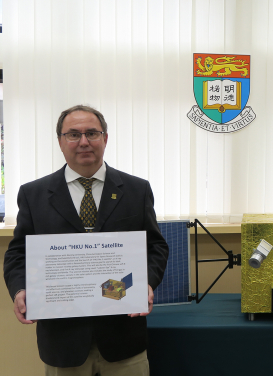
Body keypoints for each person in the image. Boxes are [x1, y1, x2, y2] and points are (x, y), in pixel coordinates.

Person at [3, 105, 169, 375]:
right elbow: (18, 253)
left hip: (122, 334)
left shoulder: (137, 190)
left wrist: (146, 283)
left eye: (92, 133)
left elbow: (156, 247)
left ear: (105, 138)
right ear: (60, 141)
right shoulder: (33, 194)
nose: (83, 142)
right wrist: (20, 290)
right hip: (62, 338)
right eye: (73, 134)